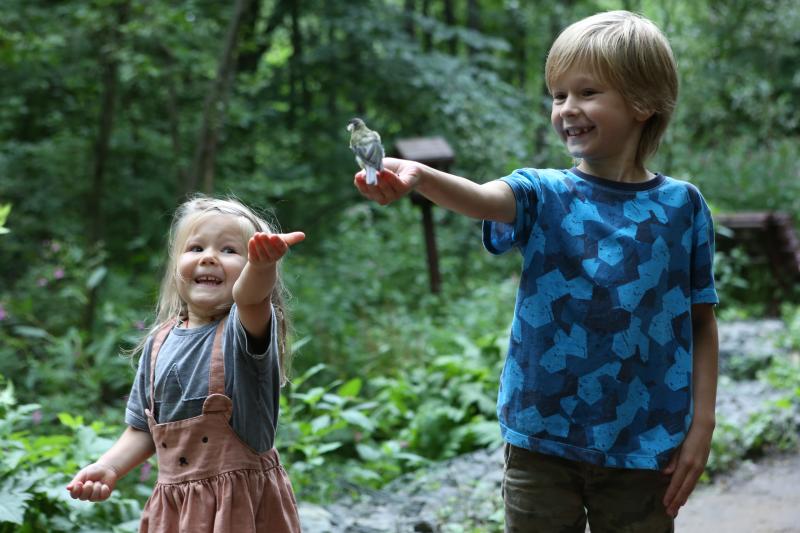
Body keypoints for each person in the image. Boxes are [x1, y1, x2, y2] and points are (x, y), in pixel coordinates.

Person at [354, 10, 718, 532]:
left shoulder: (683, 207)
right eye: (558, 95)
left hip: (645, 447)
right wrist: (419, 176)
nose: (568, 108)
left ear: (642, 102)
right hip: (540, 442)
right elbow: (482, 199)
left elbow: (701, 321)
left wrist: (700, 425)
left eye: (587, 92)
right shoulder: (542, 191)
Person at [67, 195, 305, 532]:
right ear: (176, 263)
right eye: (196, 248)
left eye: (229, 250)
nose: (209, 257)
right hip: (175, 512)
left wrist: (261, 266)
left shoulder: (244, 330)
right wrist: (109, 467)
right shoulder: (158, 343)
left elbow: (251, 296)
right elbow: (144, 430)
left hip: (238, 510)